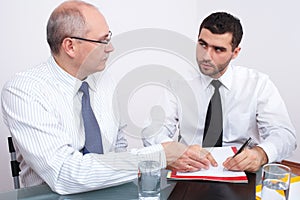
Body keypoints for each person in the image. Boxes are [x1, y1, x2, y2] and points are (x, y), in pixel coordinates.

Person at [1, 0, 216, 195]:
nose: (111, 48)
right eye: (102, 41)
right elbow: (63, 175)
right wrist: (157, 156)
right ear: (70, 46)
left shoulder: (104, 80)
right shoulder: (24, 90)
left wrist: (165, 157)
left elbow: (119, 149)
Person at [142, 12, 297, 172]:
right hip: (189, 170)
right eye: (203, 44)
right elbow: (152, 131)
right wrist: (172, 150)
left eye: (218, 49)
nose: (206, 56)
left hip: (240, 172)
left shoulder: (258, 84)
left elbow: (285, 134)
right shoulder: (178, 84)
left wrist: (261, 154)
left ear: (235, 52)